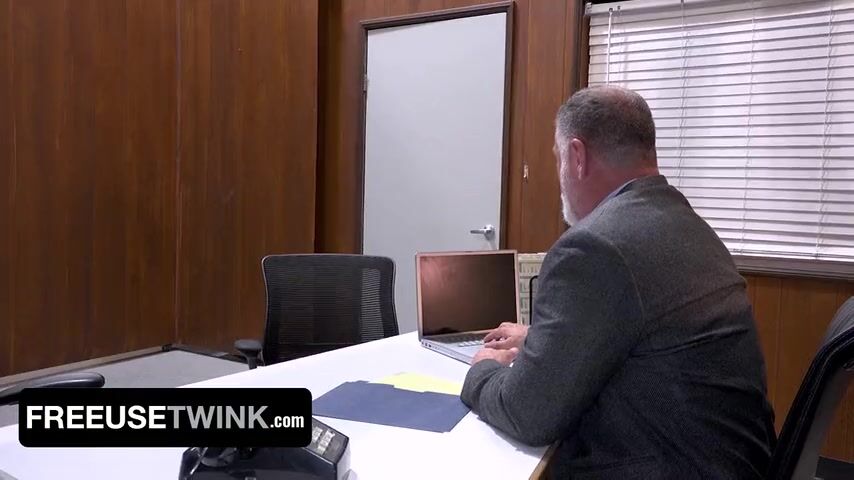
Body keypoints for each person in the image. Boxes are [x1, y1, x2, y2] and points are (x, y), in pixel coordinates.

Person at [461, 86, 776, 479]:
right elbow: (646, 337)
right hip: (730, 462)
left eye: (558, 158)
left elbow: (527, 413)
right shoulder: (686, 224)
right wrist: (542, 340)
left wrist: (482, 370)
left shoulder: (594, 246)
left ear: (577, 157)